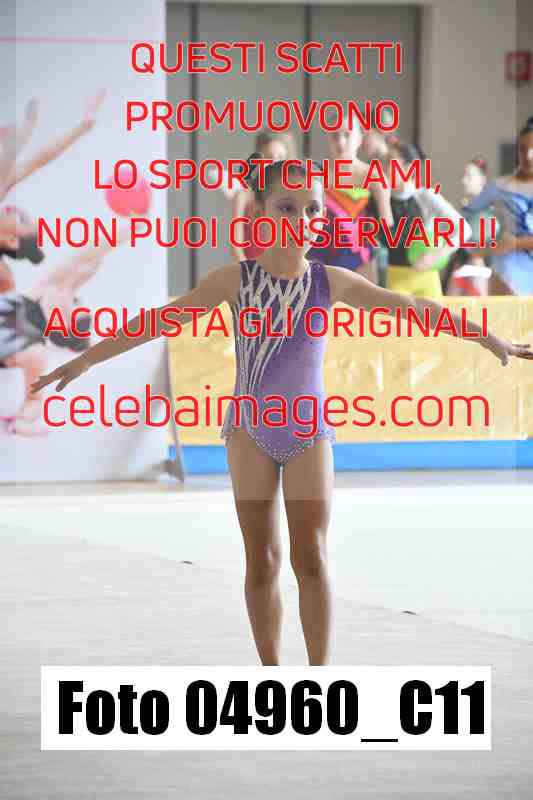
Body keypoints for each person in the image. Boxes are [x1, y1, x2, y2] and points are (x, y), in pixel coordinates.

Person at [30, 158, 533, 665]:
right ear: (261, 212)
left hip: (308, 432)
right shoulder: (234, 280)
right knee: (262, 561)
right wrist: (86, 359)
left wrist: (486, 336)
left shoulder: (331, 281)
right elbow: (160, 320)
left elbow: (412, 307)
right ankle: (272, 675)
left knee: (311, 556)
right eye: (287, 207)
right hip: (250, 432)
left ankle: (319, 679)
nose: (301, 219)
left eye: (312, 208)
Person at [376, 141, 472, 299]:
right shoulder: (380, 198)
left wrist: (437, 255)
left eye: (390, 161)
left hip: (427, 279)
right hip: (396, 277)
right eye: (384, 161)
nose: (383, 167)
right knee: (397, 316)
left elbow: (464, 229)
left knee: (434, 316)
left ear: (408, 168)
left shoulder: (425, 195)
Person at [307, 111, 393, 283]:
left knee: (363, 300)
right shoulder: (315, 175)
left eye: (347, 135)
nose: (340, 142)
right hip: (319, 259)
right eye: (335, 136)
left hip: (360, 261)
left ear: (360, 138)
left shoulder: (374, 176)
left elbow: (387, 223)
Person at [462, 116, 533, 295]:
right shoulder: (499, 186)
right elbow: (463, 219)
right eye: (523, 149)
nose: (528, 156)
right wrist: (480, 249)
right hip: (507, 272)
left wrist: (514, 243)